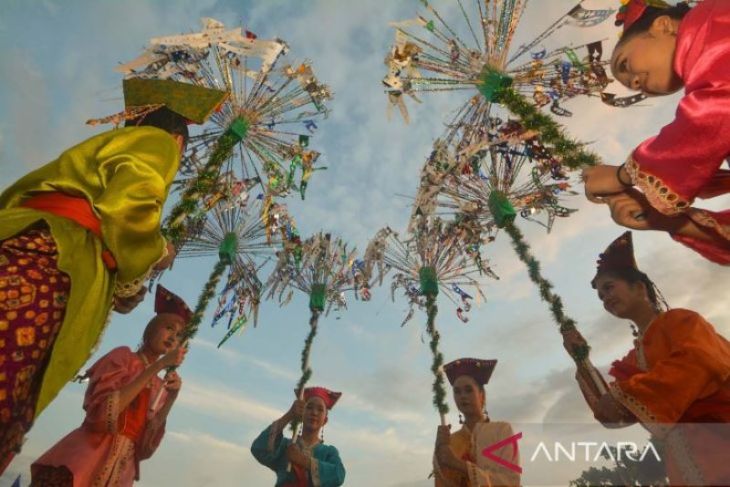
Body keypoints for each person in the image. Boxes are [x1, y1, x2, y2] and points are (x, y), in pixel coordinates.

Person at [0, 77, 227, 471]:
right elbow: (130, 211)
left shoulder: (101, 154)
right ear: (177, 141)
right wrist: (157, 251)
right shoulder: (156, 144)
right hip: (51, 261)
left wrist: (121, 283)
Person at [563, 232, 730, 485]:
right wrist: (582, 360)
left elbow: (700, 361)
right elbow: (611, 413)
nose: (605, 299)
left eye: (609, 288)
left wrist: (625, 394)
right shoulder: (633, 359)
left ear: (639, 287)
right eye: (600, 296)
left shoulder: (681, 321)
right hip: (684, 467)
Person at [581, 0, 730, 264]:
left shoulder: (714, 20)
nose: (636, 83)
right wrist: (666, 221)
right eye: (634, 88)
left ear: (663, 25)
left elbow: (716, 110)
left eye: (625, 65)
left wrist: (623, 175)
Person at [30, 284, 190, 486]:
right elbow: (99, 416)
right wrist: (157, 366)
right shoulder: (123, 357)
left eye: (179, 335)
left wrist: (171, 398)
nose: (173, 337)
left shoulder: (161, 385)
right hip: (86, 457)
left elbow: (145, 447)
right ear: (151, 328)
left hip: (122, 471)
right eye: (169, 328)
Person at [434, 358, 520, 487]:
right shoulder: (451, 441)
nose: (462, 396)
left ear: (482, 394)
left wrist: (457, 464)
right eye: (457, 392)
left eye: (468, 390)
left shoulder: (502, 430)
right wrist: (439, 453)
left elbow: (511, 481)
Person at [251, 387, 346, 486]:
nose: (314, 413)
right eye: (309, 407)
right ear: (301, 413)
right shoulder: (286, 446)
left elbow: (339, 475)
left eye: (320, 409)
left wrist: (302, 460)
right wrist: (289, 415)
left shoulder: (329, 452)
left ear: (325, 420)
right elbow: (258, 449)